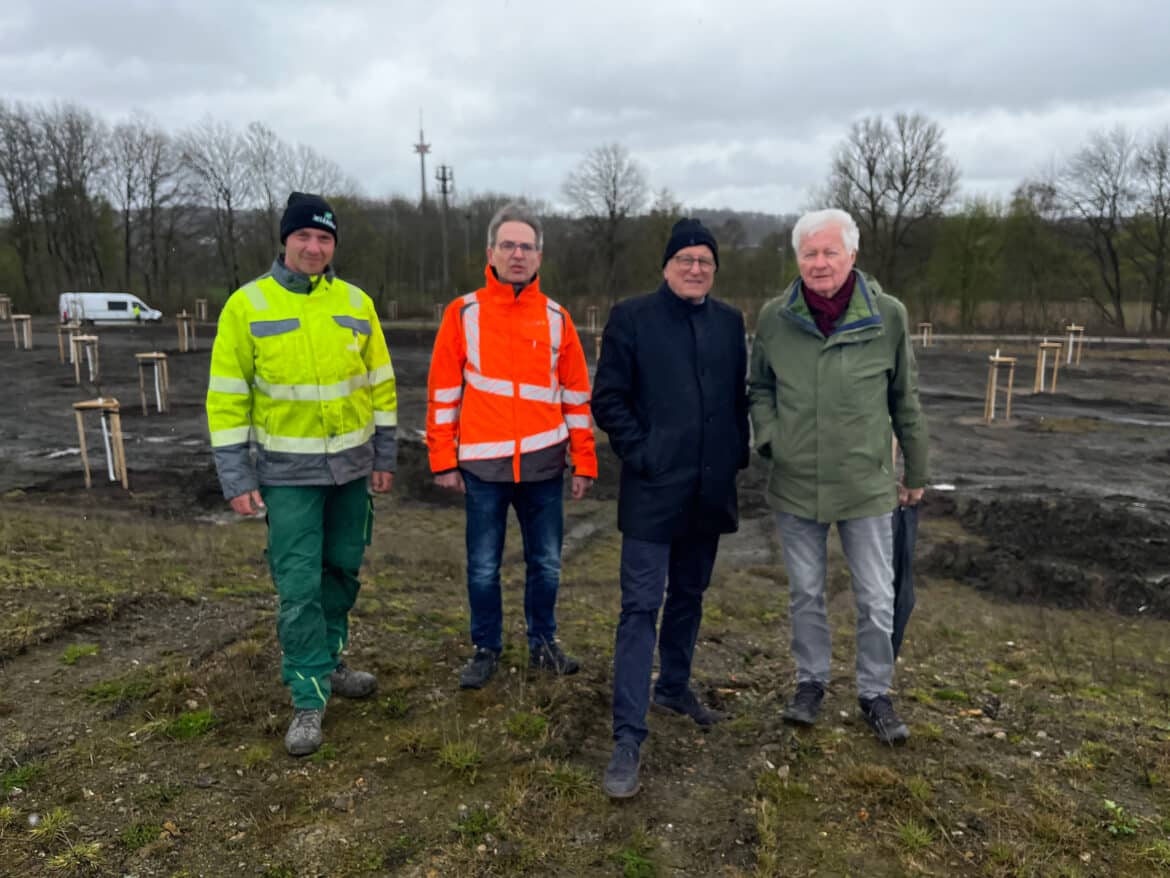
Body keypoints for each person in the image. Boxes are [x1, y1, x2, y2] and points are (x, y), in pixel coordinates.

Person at [206, 192, 397, 757]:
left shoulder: (357, 303)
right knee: (297, 588)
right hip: (288, 477)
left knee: (341, 573)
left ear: (334, 244)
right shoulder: (248, 306)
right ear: (285, 240)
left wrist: (383, 458)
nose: (314, 247)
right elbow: (226, 399)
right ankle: (308, 697)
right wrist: (237, 476)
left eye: (324, 238)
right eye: (304, 237)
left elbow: (381, 386)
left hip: (352, 473)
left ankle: (329, 661)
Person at [748, 208, 928, 745]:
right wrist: (771, 438)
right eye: (810, 253)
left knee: (876, 596)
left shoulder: (888, 316)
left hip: (866, 484)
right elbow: (760, 388)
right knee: (805, 593)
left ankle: (875, 692)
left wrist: (916, 467)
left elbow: (905, 398)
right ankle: (811, 683)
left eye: (830, 252)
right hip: (796, 483)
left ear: (852, 255)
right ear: (798, 259)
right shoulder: (775, 317)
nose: (819, 263)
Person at [592, 218, 750, 798]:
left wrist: (733, 456)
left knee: (689, 596)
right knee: (640, 608)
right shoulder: (633, 318)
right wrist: (645, 453)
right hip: (653, 492)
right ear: (666, 265)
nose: (695, 267)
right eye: (685, 258)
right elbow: (607, 398)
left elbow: (736, 398)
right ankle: (628, 736)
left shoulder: (730, 324)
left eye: (705, 259)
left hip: (707, 493)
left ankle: (674, 686)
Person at [426, 203, 597, 690]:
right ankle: (486, 648)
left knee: (546, 563)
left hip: (544, 467)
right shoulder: (464, 314)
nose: (518, 254)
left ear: (539, 256)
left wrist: (584, 459)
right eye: (509, 245)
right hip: (483, 468)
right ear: (491, 252)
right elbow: (443, 393)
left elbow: (576, 398)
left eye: (527, 247)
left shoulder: (558, 319)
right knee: (483, 566)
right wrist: (442, 458)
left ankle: (543, 642)